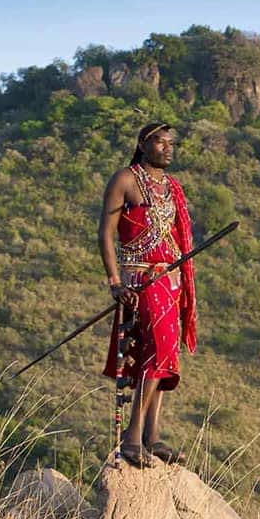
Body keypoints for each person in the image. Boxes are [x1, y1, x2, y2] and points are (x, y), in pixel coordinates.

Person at [98, 122, 197, 467]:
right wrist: (115, 282)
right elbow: (106, 233)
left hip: (169, 281)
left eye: (172, 143)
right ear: (143, 144)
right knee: (156, 349)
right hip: (139, 279)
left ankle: (151, 436)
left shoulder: (172, 188)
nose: (168, 148)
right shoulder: (125, 180)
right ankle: (131, 438)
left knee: (164, 352)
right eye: (160, 142)